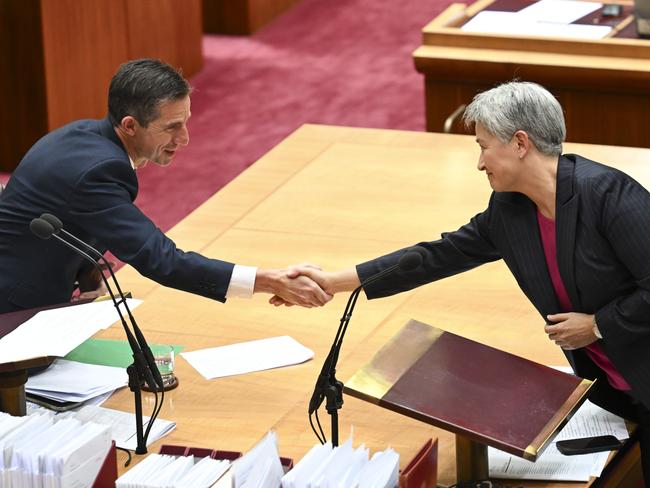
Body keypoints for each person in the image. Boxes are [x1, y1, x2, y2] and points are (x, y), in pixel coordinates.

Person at [280, 81, 650, 483]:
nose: (479, 163)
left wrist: (596, 325)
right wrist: (337, 281)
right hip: (620, 386)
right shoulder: (510, 209)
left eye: (483, 146)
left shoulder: (609, 195)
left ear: (520, 143)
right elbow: (440, 254)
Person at [0, 59, 331, 313]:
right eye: (172, 127)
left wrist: (88, 265)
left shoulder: (81, 134)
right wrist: (267, 281)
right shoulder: (99, 170)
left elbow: (67, 216)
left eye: (185, 122)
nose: (184, 139)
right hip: (15, 317)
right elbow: (160, 259)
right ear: (130, 125)